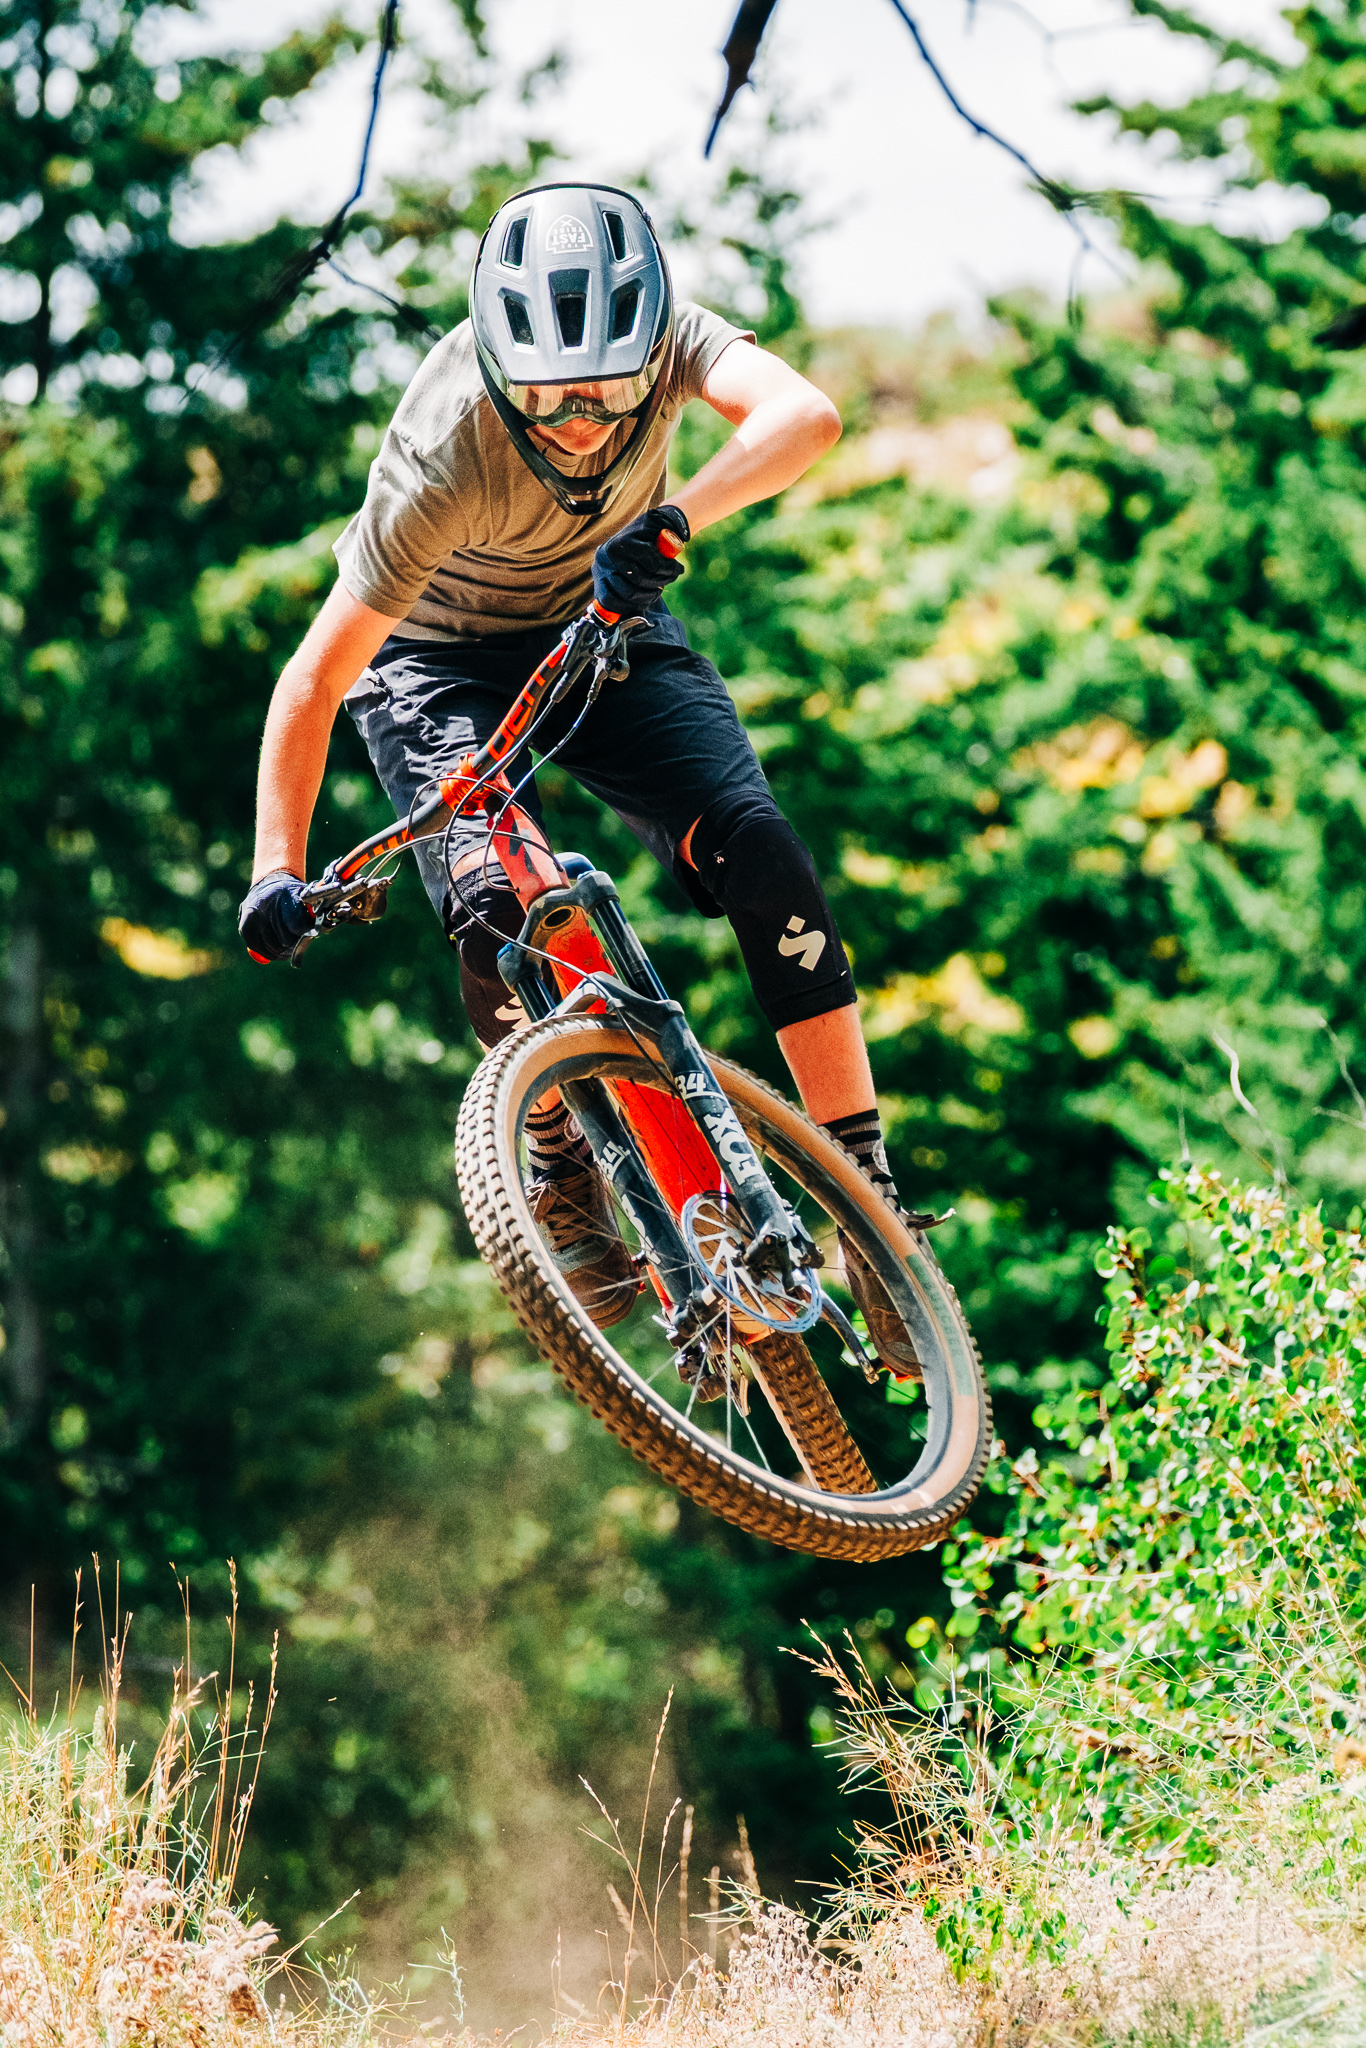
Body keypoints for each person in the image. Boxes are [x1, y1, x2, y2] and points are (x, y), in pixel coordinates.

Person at [239, 182, 918, 1376]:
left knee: (761, 851)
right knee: (501, 901)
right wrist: (273, 871)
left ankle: (867, 1199)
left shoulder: (666, 341)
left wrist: (668, 521)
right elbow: (311, 679)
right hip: (433, 668)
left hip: (609, 616)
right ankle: (553, 1153)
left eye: (607, 393)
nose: (581, 424)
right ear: (501, 373)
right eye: (547, 398)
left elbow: (804, 417)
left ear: (647, 348)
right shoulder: (443, 456)